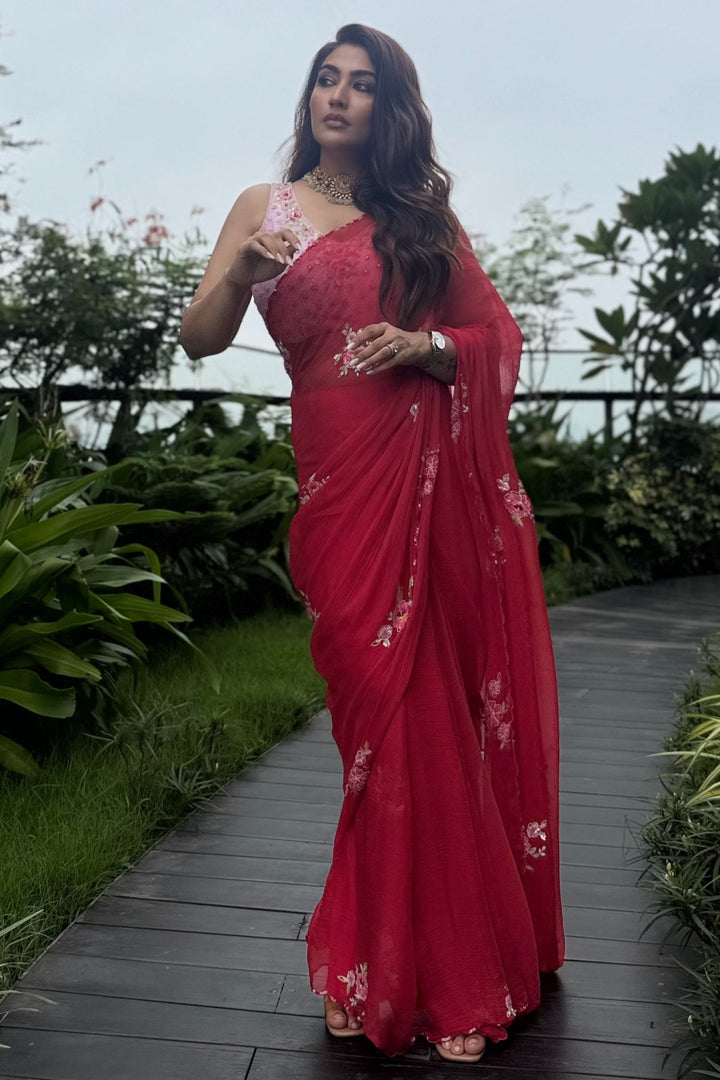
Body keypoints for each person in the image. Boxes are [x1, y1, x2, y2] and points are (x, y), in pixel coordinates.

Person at [179, 22, 565, 1064]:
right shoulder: (264, 211)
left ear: (388, 109)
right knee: (369, 724)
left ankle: (415, 968)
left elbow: (497, 337)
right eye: (325, 79)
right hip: (338, 495)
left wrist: (431, 347)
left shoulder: (420, 222)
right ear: (308, 96)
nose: (338, 97)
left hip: (426, 500)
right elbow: (199, 333)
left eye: (360, 85)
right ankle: (377, 952)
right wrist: (241, 272)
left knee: (422, 722)